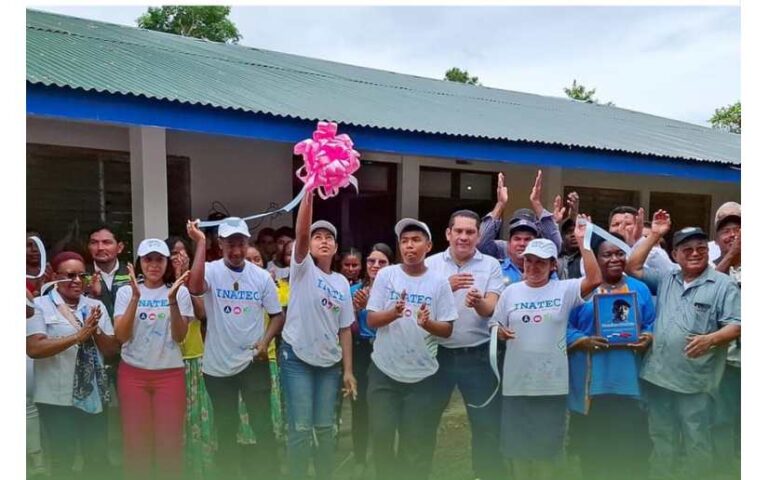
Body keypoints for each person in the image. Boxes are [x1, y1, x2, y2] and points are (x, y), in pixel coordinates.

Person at [626, 211, 741, 480]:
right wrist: (654, 233)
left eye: (701, 248)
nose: (695, 253)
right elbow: (632, 266)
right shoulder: (668, 278)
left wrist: (711, 339)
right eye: (687, 249)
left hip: (696, 382)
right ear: (675, 254)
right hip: (658, 377)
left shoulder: (723, 284)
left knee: (697, 440)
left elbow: (737, 325)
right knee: (662, 438)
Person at [490, 216, 601, 480]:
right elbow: (494, 324)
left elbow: (595, 278)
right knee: (516, 449)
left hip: (551, 385)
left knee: (546, 450)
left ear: (553, 265)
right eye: (529, 260)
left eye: (541, 262)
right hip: (516, 384)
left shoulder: (564, 289)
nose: (533, 266)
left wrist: (584, 242)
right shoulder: (510, 293)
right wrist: (500, 333)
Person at [187, 217, 285, 478]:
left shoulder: (261, 277)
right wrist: (198, 243)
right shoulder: (211, 270)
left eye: (240, 243)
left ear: (247, 243)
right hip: (218, 366)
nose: (236, 250)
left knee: (263, 426)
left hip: (253, 361)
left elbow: (277, 315)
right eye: (230, 244)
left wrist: (265, 342)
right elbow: (195, 288)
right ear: (220, 244)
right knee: (226, 427)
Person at [366, 218, 458, 480]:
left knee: (416, 443)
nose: (409, 246)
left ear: (428, 246)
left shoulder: (439, 283)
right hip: (384, 373)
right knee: (382, 436)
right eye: (404, 241)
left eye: (416, 240)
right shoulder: (386, 275)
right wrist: (392, 313)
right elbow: (372, 320)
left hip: (423, 378)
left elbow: (448, 329)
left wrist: (428, 323)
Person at [280, 191, 357, 480]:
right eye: (317, 236)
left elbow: (344, 330)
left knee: (326, 429)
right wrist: (309, 193)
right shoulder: (302, 269)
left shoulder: (340, 282)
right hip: (296, 359)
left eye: (329, 237)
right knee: (300, 429)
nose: (323, 240)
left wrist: (348, 371)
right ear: (308, 245)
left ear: (336, 247)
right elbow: (300, 233)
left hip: (329, 366)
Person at [424, 209, 506, 480]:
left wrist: (478, 301)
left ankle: (485, 475)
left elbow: (491, 308)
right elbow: (420, 308)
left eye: (470, 232)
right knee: (424, 422)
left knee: (485, 425)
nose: (463, 237)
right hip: (438, 356)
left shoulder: (491, 265)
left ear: (478, 235)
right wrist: (446, 287)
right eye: (458, 231)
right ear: (448, 234)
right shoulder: (431, 264)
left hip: (478, 356)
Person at [566, 232, 655, 480]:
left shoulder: (639, 289)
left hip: (630, 383)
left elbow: (652, 322)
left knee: (631, 450)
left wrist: (648, 336)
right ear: (595, 258)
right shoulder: (579, 289)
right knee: (593, 451)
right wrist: (581, 340)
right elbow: (562, 327)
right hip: (591, 385)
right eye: (607, 254)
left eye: (619, 253)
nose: (615, 259)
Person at [27, 251, 120, 480]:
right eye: (70, 275)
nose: (77, 281)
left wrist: (94, 329)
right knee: (63, 459)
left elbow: (110, 351)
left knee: (97, 457)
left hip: (94, 397)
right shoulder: (39, 306)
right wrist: (78, 336)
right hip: (56, 398)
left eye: (82, 275)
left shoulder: (94, 306)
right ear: (55, 277)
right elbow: (35, 348)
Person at [113, 239, 192, 480]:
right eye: (148, 259)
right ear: (139, 262)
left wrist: (172, 299)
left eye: (159, 259)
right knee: (136, 442)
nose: (154, 265)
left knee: (169, 442)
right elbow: (121, 335)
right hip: (133, 374)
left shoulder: (181, 291)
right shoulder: (126, 291)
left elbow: (180, 336)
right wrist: (136, 298)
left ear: (167, 262)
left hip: (169, 375)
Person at [166, 236, 216, 480]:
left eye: (182, 252)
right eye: (173, 253)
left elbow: (202, 313)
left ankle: (201, 470)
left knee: (197, 419)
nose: (179, 257)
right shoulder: (156, 285)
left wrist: (185, 279)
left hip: (195, 357)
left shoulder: (196, 284)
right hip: (168, 363)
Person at [348, 243, 395, 478]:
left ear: (390, 265)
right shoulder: (355, 289)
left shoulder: (394, 291)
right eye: (371, 261)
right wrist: (357, 309)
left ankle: (383, 459)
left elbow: (396, 324)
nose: (375, 266)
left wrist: (373, 307)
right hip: (361, 351)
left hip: (385, 350)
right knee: (359, 406)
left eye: (382, 262)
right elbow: (352, 328)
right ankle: (358, 458)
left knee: (383, 408)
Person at [710, 204, 741, 476]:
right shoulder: (710, 268)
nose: (732, 235)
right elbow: (708, 291)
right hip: (726, 363)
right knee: (722, 420)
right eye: (726, 231)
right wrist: (731, 256)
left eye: (738, 229)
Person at [478, 170, 563, 262]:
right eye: (517, 238)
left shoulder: (541, 252)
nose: (522, 244)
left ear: (536, 241)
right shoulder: (501, 249)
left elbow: (554, 248)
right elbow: (480, 243)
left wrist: (536, 203)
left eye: (527, 239)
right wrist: (500, 204)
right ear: (509, 242)